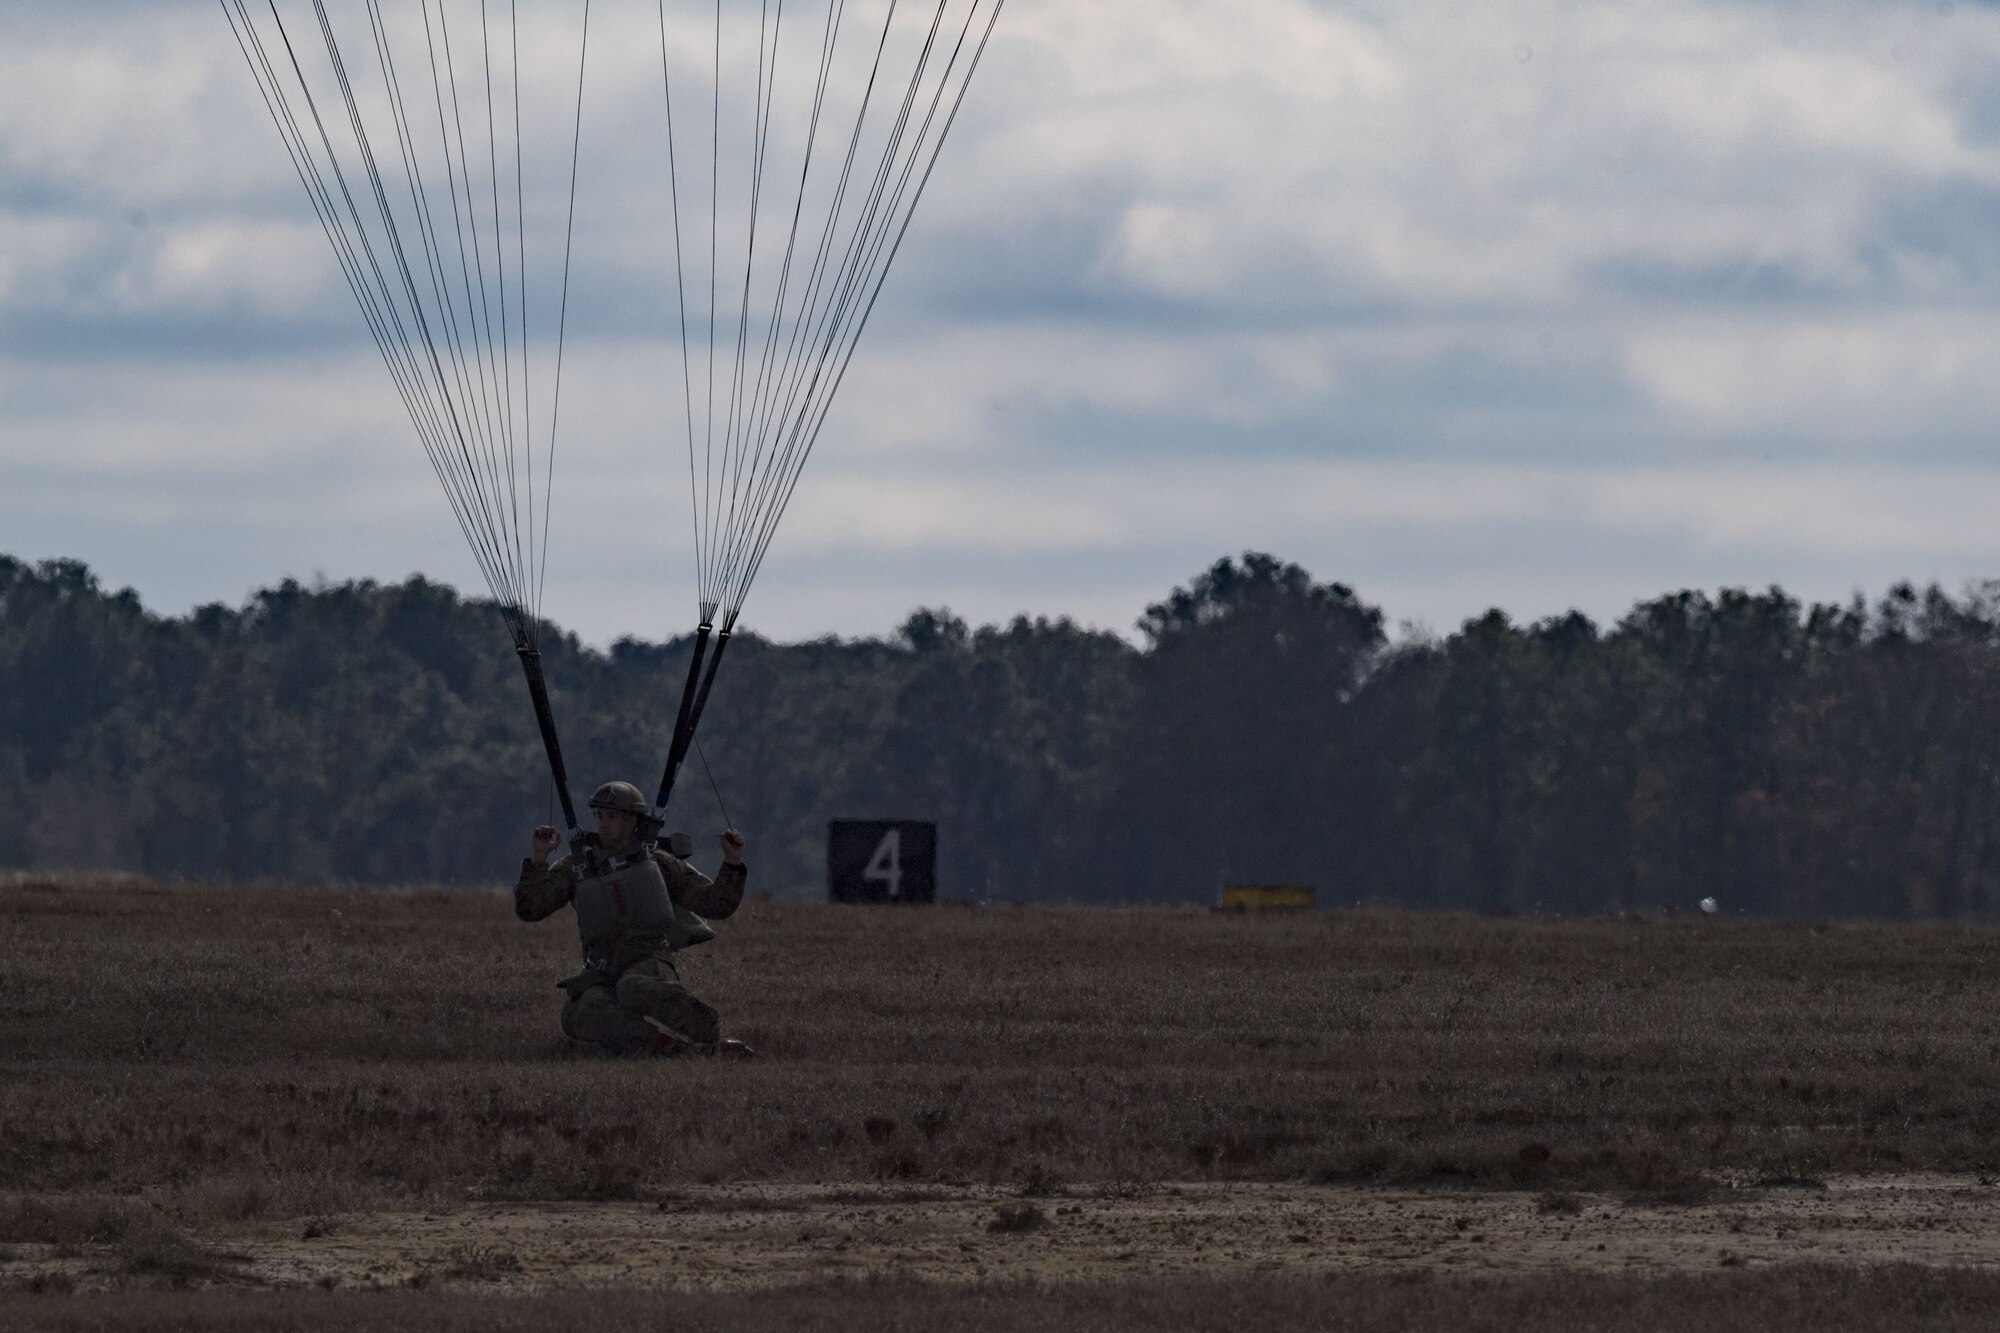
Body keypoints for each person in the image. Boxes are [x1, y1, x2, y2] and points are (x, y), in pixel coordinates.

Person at [516, 780, 754, 1057]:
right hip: (601, 971)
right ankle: (666, 1049)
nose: (603, 823)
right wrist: (538, 859)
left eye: (612, 816)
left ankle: (708, 1033)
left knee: (632, 987)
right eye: (599, 816)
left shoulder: (657, 862)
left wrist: (732, 863)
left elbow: (715, 905)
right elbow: (530, 909)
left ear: (632, 820)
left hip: (649, 961)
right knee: (581, 1011)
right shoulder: (578, 866)